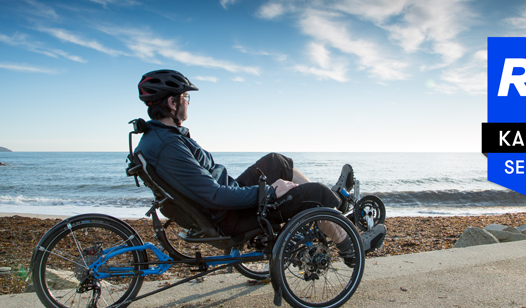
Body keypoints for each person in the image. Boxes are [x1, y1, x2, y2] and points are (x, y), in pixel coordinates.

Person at [134, 69, 385, 266]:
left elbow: (209, 187)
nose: (187, 102)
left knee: (276, 161)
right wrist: (269, 192)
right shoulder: (168, 146)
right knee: (315, 193)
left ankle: (336, 208)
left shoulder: (161, 137)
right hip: (230, 215)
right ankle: (351, 243)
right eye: (185, 97)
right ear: (171, 102)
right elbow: (212, 195)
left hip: (228, 197)